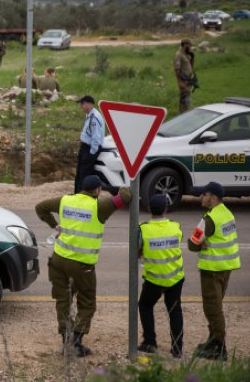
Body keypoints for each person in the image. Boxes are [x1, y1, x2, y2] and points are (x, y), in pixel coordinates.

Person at [35, 175, 131, 357]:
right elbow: (125, 196)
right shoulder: (99, 206)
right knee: (86, 302)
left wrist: (55, 226)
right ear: (96, 190)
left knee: (63, 301)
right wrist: (125, 181)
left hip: (58, 260)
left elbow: (40, 208)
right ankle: (75, 344)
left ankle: (66, 342)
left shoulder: (65, 201)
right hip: (82, 265)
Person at [188, 182, 240, 361]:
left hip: (212, 269)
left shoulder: (209, 219)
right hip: (226, 267)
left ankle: (219, 347)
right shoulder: (227, 213)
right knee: (216, 307)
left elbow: (191, 244)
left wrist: (199, 243)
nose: (201, 197)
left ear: (214, 198)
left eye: (205, 194)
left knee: (213, 309)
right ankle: (212, 341)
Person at [137, 194, 185, 358]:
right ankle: (177, 348)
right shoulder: (176, 227)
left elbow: (137, 251)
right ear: (166, 209)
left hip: (154, 279)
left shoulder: (143, 229)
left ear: (150, 209)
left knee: (145, 306)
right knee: (174, 310)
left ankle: (150, 343)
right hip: (175, 278)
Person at [74, 95, 104, 194]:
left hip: (90, 148)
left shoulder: (94, 117)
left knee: (84, 174)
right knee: (79, 172)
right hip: (85, 147)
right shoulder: (89, 115)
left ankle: (81, 195)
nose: (81, 106)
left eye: (83, 104)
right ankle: (76, 194)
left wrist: (91, 153)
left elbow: (96, 137)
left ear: (90, 104)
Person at [173, 38, 196, 113]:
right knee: (184, 99)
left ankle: (186, 112)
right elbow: (177, 69)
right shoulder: (178, 55)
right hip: (183, 81)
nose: (190, 47)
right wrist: (179, 82)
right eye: (189, 45)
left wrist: (192, 57)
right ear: (185, 45)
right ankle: (183, 114)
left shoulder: (186, 54)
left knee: (187, 98)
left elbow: (191, 67)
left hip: (188, 80)